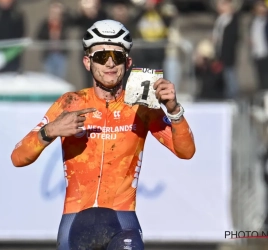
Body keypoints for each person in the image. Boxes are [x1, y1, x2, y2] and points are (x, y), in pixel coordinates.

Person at [11, 19, 195, 250]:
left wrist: (175, 111)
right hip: (75, 221)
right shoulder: (69, 102)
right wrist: (48, 133)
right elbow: (17, 157)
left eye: (117, 56)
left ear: (127, 63)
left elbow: (186, 151)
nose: (109, 63)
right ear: (87, 62)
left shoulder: (142, 106)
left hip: (122, 221)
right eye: (101, 56)